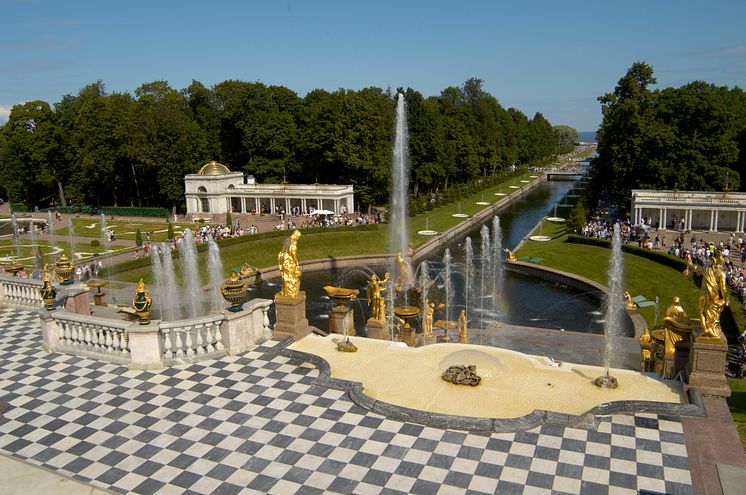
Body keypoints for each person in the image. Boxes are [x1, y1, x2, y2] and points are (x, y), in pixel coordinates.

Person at [698, 250, 729, 339]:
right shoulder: (721, 274)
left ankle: (705, 329)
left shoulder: (707, 270)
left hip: (703, 294)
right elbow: (723, 289)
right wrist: (726, 299)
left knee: (702, 311)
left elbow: (698, 270)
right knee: (713, 314)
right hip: (713, 297)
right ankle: (711, 329)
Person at [278, 230, 302, 299]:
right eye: (298, 237)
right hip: (289, 262)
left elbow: (282, 251)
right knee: (290, 277)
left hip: (284, 261)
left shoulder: (287, 240)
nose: (298, 238)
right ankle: (290, 292)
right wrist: (296, 262)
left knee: (286, 276)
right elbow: (293, 253)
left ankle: (286, 291)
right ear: (296, 236)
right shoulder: (293, 243)